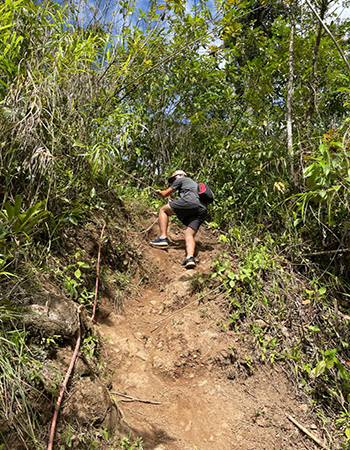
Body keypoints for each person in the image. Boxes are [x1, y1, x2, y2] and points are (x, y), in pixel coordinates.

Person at [150, 170, 207, 269]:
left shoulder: (182, 179)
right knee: (189, 234)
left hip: (190, 202)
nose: (173, 181)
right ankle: (190, 258)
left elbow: (165, 194)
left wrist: (160, 192)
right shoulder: (193, 184)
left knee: (163, 210)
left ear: (181, 175)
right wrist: (176, 202)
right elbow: (192, 200)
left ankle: (163, 238)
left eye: (174, 178)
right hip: (202, 209)